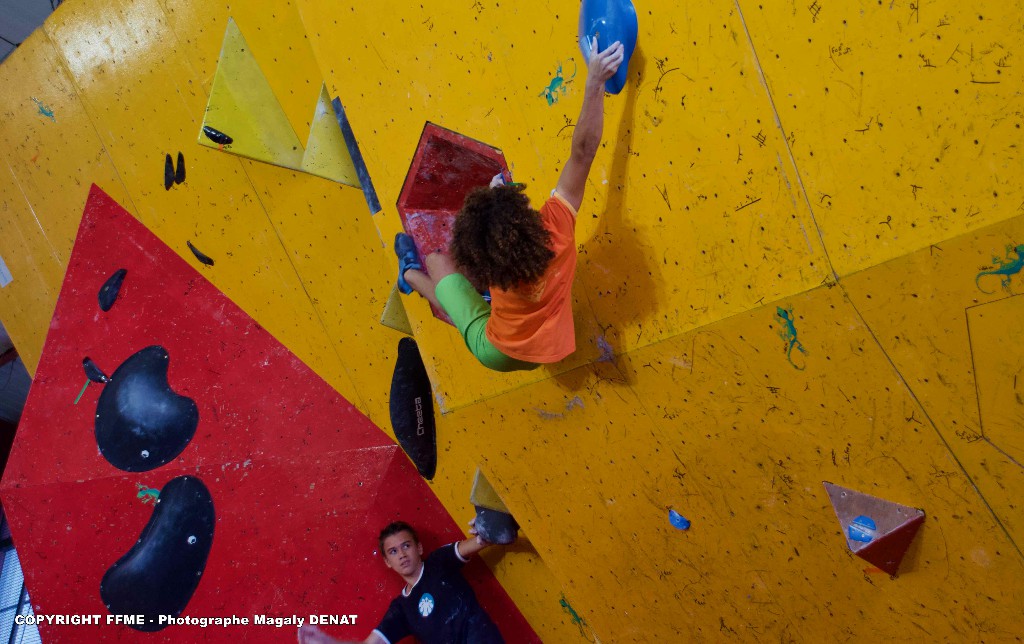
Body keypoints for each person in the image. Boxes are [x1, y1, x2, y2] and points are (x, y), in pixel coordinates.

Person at [394, 38, 626, 372]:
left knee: (436, 262)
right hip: (547, 345)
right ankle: (422, 280)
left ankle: (410, 274)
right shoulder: (556, 231)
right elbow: (583, 152)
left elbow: (478, 262)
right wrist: (595, 82)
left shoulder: (493, 270)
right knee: (464, 301)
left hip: (499, 353)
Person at [297, 520, 505, 644]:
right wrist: (328, 642)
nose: (402, 555)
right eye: (393, 551)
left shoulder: (438, 562)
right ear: (388, 562)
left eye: (406, 546)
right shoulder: (402, 609)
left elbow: (480, 541)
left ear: (419, 548)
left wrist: (485, 527)